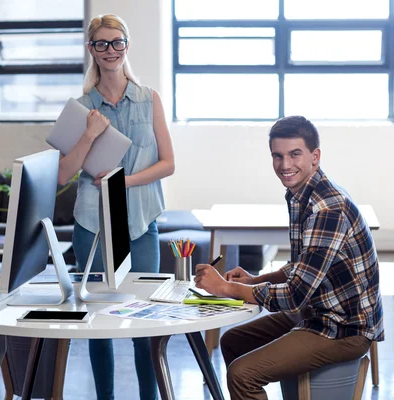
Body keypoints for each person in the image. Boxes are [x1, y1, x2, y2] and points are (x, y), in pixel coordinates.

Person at [194, 116, 384, 400]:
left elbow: (295, 294)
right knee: (233, 341)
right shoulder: (299, 196)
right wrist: (255, 280)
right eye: (278, 156)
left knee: (242, 374)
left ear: (315, 156)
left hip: (345, 327)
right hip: (317, 311)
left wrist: (226, 288)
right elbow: (301, 267)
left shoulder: (327, 209)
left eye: (295, 154)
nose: (285, 165)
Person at [57, 14, 175, 400]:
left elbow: (167, 164)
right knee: (98, 323)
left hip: (140, 221)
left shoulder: (149, 98)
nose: (110, 50)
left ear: (127, 46)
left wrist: (122, 181)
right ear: (91, 49)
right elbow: (63, 175)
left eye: (117, 42)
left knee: (144, 321)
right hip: (92, 223)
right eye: (102, 44)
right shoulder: (80, 107)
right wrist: (89, 136)